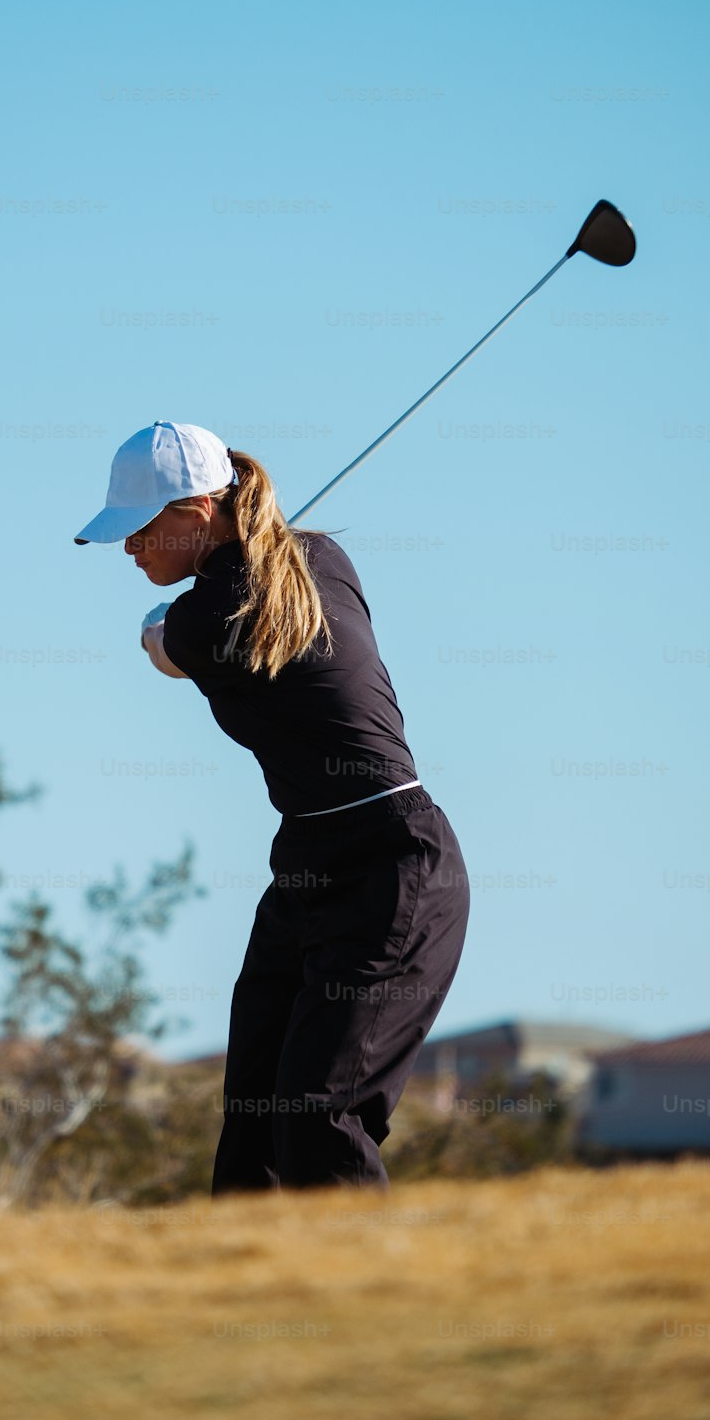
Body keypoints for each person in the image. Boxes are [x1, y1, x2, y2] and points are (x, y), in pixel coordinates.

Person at [74, 421, 470, 1195]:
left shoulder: (200, 621)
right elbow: (262, 575)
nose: (129, 550)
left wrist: (163, 626)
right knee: (253, 1117)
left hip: (395, 864)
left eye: (140, 531)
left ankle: (369, 1305)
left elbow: (163, 646)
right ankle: (242, 1294)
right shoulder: (325, 556)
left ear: (194, 513)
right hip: (307, 867)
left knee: (320, 1113)